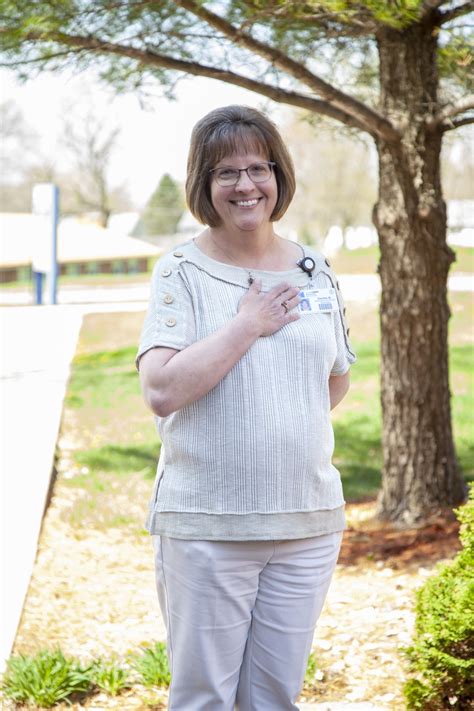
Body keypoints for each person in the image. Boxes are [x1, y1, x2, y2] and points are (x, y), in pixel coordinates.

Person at [136, 105, 356, 710]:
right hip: (209, 525)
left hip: (307, 522)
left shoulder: (315, 270)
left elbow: (333, 380)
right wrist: (247, 327)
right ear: (204, 186)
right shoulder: (181, 271)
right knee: (206, 699)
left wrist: (279, 422)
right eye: (226, 172)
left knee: (274, 698)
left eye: (258, 168)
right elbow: (161, 390)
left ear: (278, 176)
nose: (245, 185)